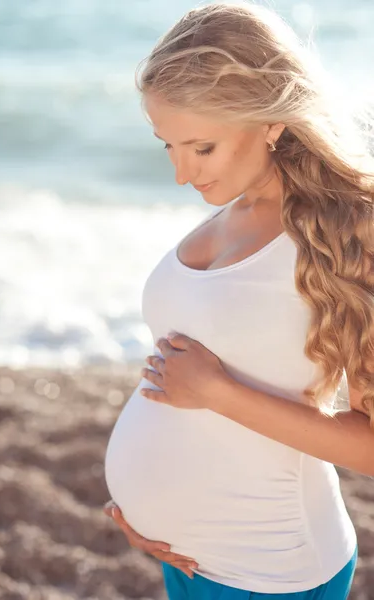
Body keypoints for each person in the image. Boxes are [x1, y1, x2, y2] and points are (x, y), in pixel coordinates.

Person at [104, 2, 374, 599]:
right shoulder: (233, 212)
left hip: (271, 572)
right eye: (166, 146)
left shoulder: (352, 233)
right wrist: (139, 503)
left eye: (202, 148)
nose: (181, 175)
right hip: (188, 559)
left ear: (271, 121)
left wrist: (217, 393)